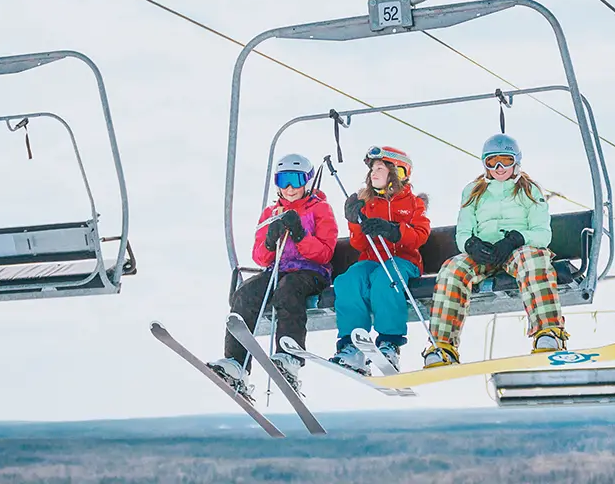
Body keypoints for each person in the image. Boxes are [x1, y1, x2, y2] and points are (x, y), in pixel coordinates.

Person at [422, 133, 569, 368]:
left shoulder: (529, 190)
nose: (499, 168)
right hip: (484, 252)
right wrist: (471, 245)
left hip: (518, 250)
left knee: (533, 260)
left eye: (506, 161)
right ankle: (443, 345)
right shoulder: (473, 191)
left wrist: (516, 239)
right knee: (452, 269)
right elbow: (463, 230)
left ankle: (549, 331)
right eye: (492, 162)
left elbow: (543, 234)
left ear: (516, 162)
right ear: (484, 164)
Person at [207, 153, 338, 397]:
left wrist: (299, 234)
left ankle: (289, 357)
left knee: (288, 290)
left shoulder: (320, 209)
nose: (289, 188)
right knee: (244, 294)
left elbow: (324, 253)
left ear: (307, 182)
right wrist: (269, 241)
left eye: (296, 180)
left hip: (311, 272)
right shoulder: (271, 213)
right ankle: (237, 364)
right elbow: (260, 258)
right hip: (279, 269)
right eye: (283, 180)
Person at [330, 146, 431, 374]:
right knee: (348, 281)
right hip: (372, 260)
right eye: (372, 169)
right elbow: (359, 244)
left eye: (379, 169)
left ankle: (389, 342)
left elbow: (420, 235)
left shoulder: (414, 203)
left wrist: (395, 231)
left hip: (403, 262)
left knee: (386, 279)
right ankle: (352, 345)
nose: (373, 174)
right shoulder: (367, 203)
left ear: (398, 172)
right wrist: (355, 220)